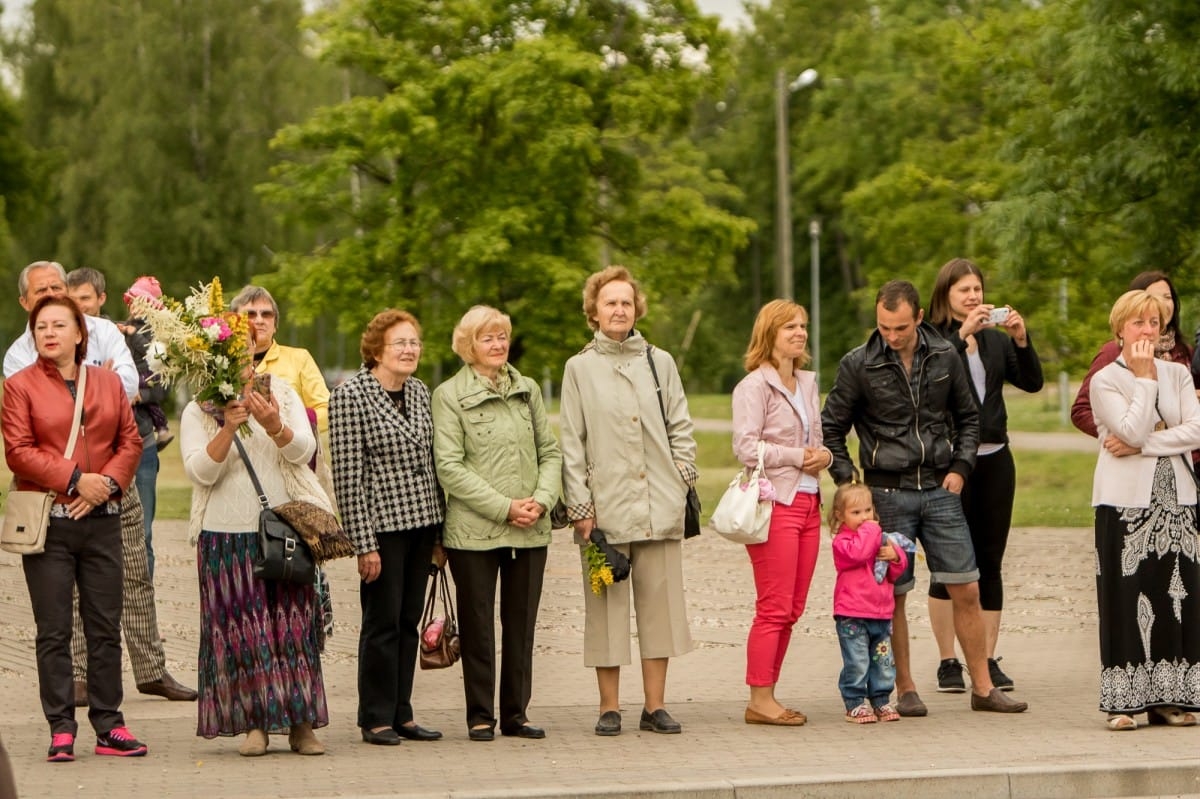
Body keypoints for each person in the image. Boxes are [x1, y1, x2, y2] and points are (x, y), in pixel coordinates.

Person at [820, 279, 1027, 716]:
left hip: (939, 488)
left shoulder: (945, 354)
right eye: (883, 327)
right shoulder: (858, 363)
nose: (891, 337)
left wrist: (961, 468)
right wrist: (848, 481)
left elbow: (969, 418)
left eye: (899, 328)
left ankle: (984, 688)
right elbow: (832, 427)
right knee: (892, 594)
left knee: (966, 586)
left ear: (918, 318)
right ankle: (905, 689)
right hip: (886, 492)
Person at [3, 261, 196, 707]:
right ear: (25, 303)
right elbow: (28, 426)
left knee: (135, 573)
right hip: (57, 490)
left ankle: (151, 670)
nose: (53, 293)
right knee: (68, 592)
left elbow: (128, 390)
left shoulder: (103, 332)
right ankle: (80, 679)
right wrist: (100, 395)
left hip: (113, 479)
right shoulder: (18, 353)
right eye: (41, 291)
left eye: (58, 285)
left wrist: (105, 479)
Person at [2, 295, 146, 761]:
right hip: (51, 525)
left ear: (80, 333)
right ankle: (61, 727)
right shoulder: (19, 386)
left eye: (59, 325)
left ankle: (110, 724)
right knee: (54, 630)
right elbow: (18, 451)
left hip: (102, 522)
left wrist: (106, 483)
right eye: (41, 326)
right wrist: (75, 480)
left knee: (104, 627)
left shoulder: (106, 382)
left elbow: (130, 440)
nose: (48, 333)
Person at [559, 265, 697, 737]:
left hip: (660, 504)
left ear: (636, 308)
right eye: (609, 302)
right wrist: (579, 507)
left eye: (625, 302)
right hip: (604, 512)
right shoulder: (578, 368)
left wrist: (682, 479)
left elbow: (682, 428)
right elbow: (571, 443)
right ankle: (609, 707)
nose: (618, 309)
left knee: (660, 610)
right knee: (606, 612)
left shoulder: (661, 362)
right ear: (593, 312)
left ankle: (655, 706)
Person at [180, 335, 331, 756]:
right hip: (224, 535)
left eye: (243, 350)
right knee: (241, 634)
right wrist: (228, 426)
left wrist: (275, 425)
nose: (239, 359)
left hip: (281, 529)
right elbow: (201, 473)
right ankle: (255, 725)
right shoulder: (200, 407)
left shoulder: (281, 392)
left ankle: (301, 724)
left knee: (294, 628)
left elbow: (304, 451)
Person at [431, 306, 562, 741]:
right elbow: (449, 467)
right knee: (478, 625)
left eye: (503, 336)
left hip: (531, 528)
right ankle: (480, 714)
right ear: (469, 345)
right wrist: (506, 507)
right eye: (488, 337)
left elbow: (551, 452)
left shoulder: (526, 390)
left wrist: (541, 502)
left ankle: (516, 714)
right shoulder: (449, 395)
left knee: (521, 623)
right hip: (475, 532)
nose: (498, 344)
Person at [925, 258, 1044, 694]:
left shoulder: (994, 342)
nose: (973, 297)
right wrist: (961, 336)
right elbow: (933, 383)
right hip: (950, 464)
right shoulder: (934, 339)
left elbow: (1032, 382)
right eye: (964, 291)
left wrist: (1021, 339)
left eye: (977, 289)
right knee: (950, 565)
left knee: (990, 562)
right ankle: (947, 661)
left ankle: (987, 658)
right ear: (946, 296)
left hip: (995, 459)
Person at [330, 309, 445, 746]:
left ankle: (403, 713)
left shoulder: (419, 391)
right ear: (376, 349)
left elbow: (433, 464)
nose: (410, 349)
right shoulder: (350, 395)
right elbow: (347, 475)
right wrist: (364, 544)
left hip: (423, 523)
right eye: (400, 342)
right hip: (382, 528)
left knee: (409, 620)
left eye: (414, 342)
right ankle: (374, 716)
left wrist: (439, 536)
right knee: (381, 623)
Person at [1089, 289, 1200, 731]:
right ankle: (1126, 702)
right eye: (1138, 323)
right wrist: (1143, 379)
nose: (1148, 331)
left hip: (1179, 502)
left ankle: (1171, 698)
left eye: (1154, 323)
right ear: (1120, 329)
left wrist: (1144, 444)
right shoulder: (1105, 380)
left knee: (1177, 598)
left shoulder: (1178, 373)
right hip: (1124, 504)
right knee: (1126, 596)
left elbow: (1193, 431)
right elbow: (1130, 424)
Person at [730, 300, 829, 727]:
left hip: (810, 502)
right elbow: (746, 448)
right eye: (789, 326)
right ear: (769, 333)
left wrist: (823, 455)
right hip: (776, 504)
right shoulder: (753, 387)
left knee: (793, 607)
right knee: (773, 606)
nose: (799, 332)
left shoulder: (807, 382)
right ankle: (760, 698)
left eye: (803, 325)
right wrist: (795, 455)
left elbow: (820, 440)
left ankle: (769, 694)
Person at [70, 269, 169, 581]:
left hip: (139, 443)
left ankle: (141, 614)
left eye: (84, 298)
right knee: (84, 535)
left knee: (141, 536)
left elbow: (160, 384)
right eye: (71, 299)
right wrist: (111, 387)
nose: (78, 306)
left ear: (101, 299)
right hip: (84, 449)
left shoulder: (122, 336)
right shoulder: (60, 339)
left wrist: (127, 391)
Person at [1073, 271, 1197, 442]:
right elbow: (1082, 410)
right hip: (1133, 461)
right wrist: (1116, 434)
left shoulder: (1183, 351)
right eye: (1152, 296)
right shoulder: (1113, 352)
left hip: (1186, 458)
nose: (1162, 302)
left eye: (1167, 297)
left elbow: (1194, 425)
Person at [829, 483, 907, 724]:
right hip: (852, 614)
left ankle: (881, 699)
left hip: (881, 613)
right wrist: (871, 532)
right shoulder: (842, 542)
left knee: (882, 662)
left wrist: (895, 557)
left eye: (867, 510)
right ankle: (854, 702)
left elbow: (895, 573)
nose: (864, 518)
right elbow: (859, 553)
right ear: (840, 516)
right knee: (858, 661)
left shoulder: (879, 538)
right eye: (855, 513)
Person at [121, 276, 174, 451]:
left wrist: (133, 333)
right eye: (132, 303)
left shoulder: (152, 328)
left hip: (146, 373)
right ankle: (162, 428)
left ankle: (161, 428)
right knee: (149, 403)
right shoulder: (131, 323)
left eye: (140, 303)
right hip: (137, 372)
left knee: (137, 394)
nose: (134, 307)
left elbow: (149, 349)